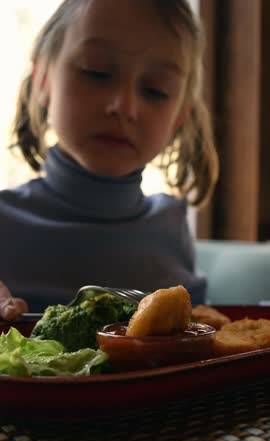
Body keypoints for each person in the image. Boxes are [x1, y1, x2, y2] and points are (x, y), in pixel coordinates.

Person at [0, 0, 218, 320]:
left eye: (156, 90)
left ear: (178, 118)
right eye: (96, 72)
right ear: (43, 80)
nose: (124, 107)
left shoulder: (171, 225)